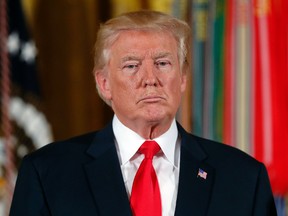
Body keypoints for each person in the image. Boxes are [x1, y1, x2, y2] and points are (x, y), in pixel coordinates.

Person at [10, 10, 277, 216]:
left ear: (182, 78)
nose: (150, 79)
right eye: (131, 66)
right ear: (103, 83)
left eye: (163, 63)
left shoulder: (243, 178)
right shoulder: (47, 173)